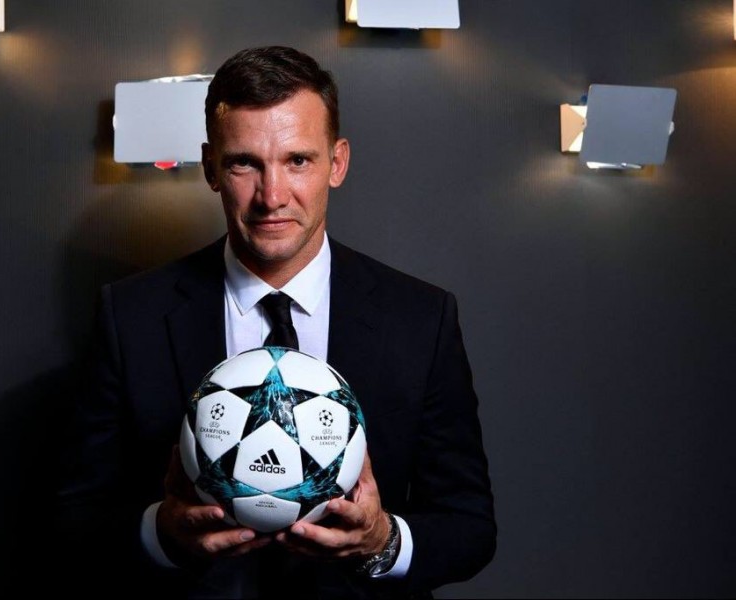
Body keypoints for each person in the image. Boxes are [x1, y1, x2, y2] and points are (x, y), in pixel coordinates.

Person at [57, 45, 496, 599]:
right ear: (211, 168)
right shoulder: (130, 316)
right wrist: (162, 534)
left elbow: (470, 526)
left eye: (298, 161)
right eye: (244, 163)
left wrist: (381, 541)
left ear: (337, 163)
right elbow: (73, 520)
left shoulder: (421, 318)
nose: (272, 197)